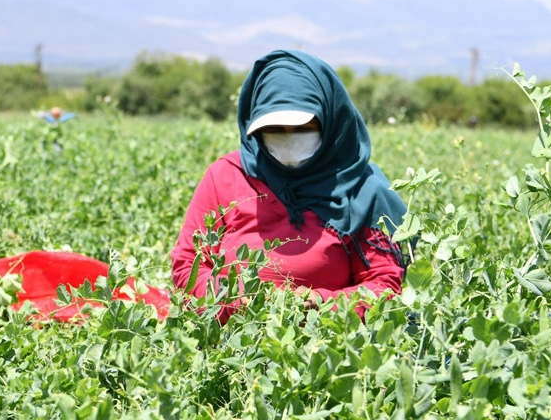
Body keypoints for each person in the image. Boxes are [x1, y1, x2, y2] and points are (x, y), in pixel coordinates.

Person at [171, 49, 408, 322]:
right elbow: (187, 263)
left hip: (326, 348)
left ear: (329, 122)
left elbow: (385, 285)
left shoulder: (360, 191)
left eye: (303, 128)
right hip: (231, 343)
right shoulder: (226, 176)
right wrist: (232, 300)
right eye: (274, 129)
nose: (289, 139)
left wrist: (321, 303)